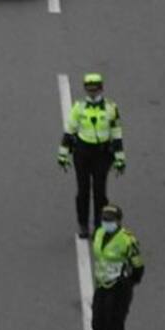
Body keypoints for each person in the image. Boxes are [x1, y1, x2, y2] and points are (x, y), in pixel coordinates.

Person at [57, 73, 125, 239]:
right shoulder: (78, 108)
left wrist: (120, 158)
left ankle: (99, 225)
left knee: (100, 191)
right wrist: (63, 155)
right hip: (82, 153)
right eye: (89, 90)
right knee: (83, 190)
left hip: (102, 154)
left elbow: (116, 134)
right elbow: (69, 132)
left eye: (95, 90)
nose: (92, 93)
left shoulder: (111, 108)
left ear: (101, 88)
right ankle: (83, 224)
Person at [88, 203, 144, 330]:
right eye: (104, 219)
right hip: (102, 285)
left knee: (114, 328)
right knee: (97, 323)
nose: (106, 222)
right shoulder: (98, 233)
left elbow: (138, 267)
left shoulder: (127, 240)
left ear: (118, 221)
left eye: (110, 220)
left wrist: (127, 282)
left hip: (119, 289)